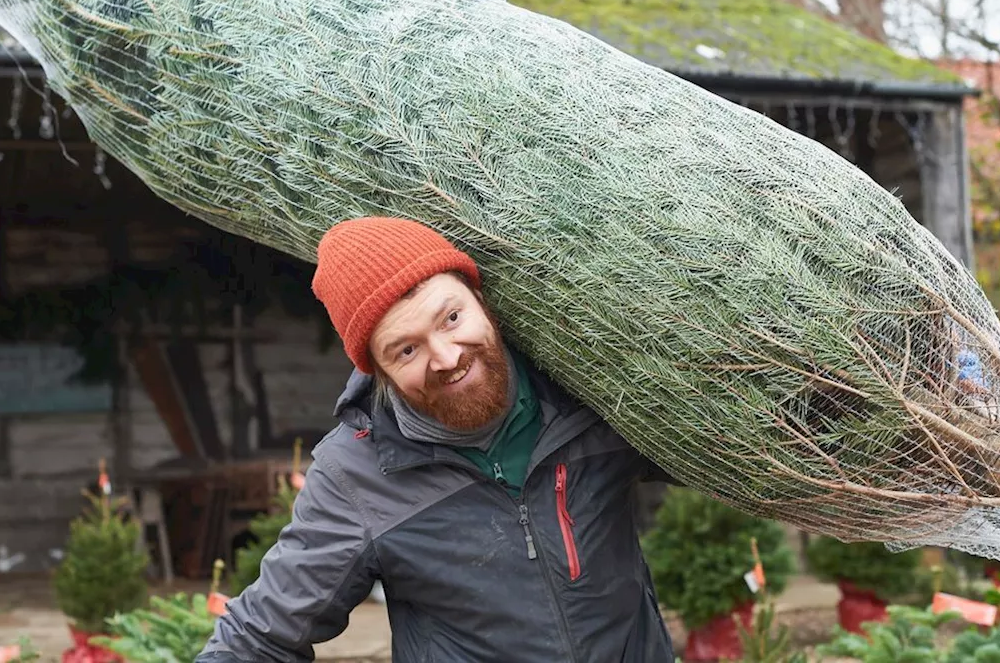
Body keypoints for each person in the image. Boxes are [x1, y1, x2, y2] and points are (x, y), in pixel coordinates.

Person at [196, 217, 680, 662]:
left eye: (451, 318)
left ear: (480, 299)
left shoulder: (588, 394)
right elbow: (259, 636)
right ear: (378, 371)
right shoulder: (358, 475)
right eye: (406, 350)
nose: (447, 357)